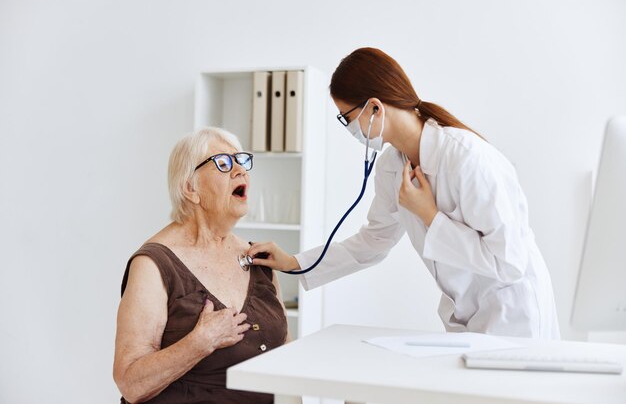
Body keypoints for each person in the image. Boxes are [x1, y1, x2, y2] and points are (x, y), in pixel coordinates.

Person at [247, 47, 560, 339]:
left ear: (374, 107)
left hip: (515, 318)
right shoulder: (390, 168)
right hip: (469, 321)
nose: (349, 128)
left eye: (346, 118)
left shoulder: (467, 158)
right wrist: (293, 262)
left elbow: (509, 263)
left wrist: (430, 215)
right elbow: (372, 243)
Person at [113, 127, 289, 403]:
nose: (240, 171)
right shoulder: (152, 265)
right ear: (190, 188)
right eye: (223, 163)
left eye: (241, 161)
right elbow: (131, 384)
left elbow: (284, 353)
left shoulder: (260, 260)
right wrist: (200, 342)